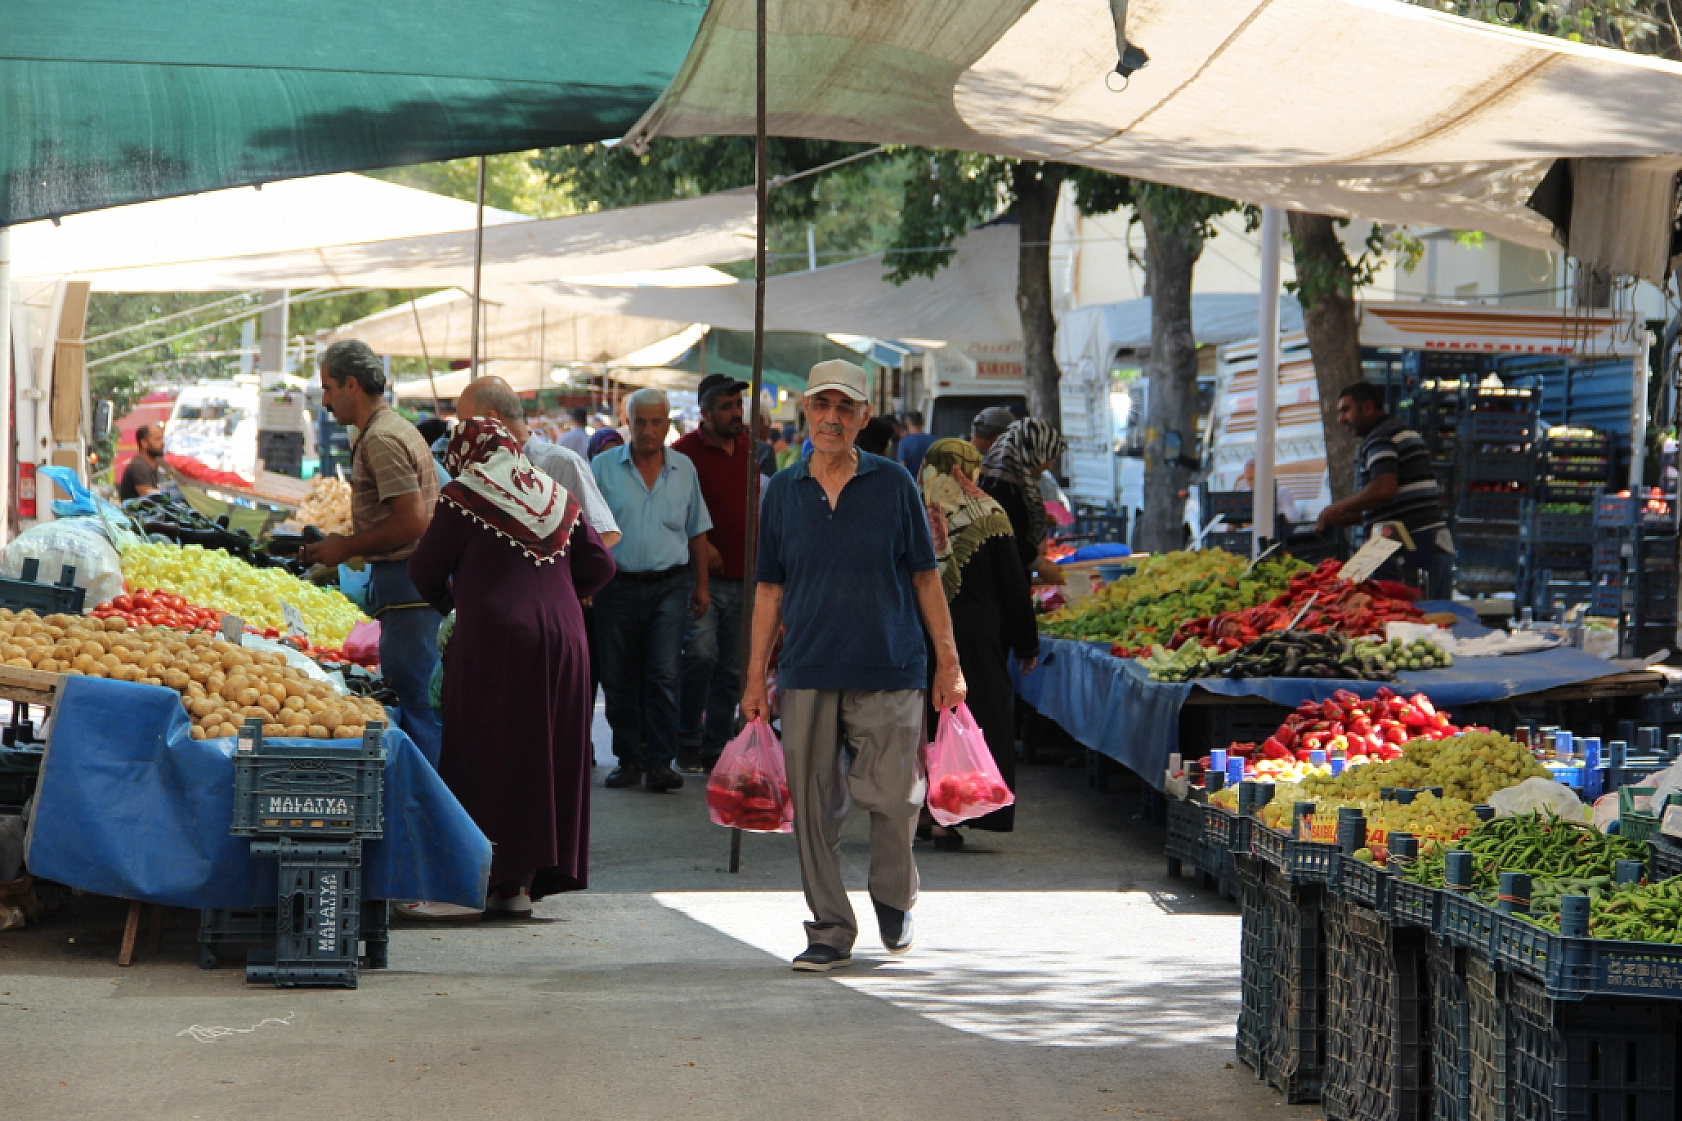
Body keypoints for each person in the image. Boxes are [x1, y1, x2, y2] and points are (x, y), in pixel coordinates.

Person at [741, 359, 967, 973]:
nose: (832, 418)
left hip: (890, 663)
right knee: (813, 808)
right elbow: (768, 590)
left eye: (845, 407)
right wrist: (755, 677)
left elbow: (925, 576)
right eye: (822, 406)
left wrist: (948, 663)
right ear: (806, 412)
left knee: (896, 796)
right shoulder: (783, 490)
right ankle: (830, 928)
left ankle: (894, 895)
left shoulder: (894, 484)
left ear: (864, 417)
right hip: (809, 667)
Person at [407, 418, 617, 918]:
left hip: (497, 641)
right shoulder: (555, 494)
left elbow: (423, 570)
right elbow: (602, 566)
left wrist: (456, 604)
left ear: (466, 454)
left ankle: (460, 888)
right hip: (567, 642)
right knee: (542, 757)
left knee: (483, 751)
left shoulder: (465, 494)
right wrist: (563, 592)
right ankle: (516, 887)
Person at [298, 341, 444, 767]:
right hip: (412, 590)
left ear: (351, 384)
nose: (324, 401)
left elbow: (411, 522)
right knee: (423, 708)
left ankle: (429, 819)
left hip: (410, 593)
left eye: (328, 388)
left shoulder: (380, 437)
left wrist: (344, 548)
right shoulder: (392, 428)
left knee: (418, 710)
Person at [918, 439, 1039, 847]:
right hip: (976, 637)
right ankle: (950, 815)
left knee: (921, 722)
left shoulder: (911, 510)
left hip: (915, 634)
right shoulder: (988, 512)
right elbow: (1013, 585)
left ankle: (919, 811)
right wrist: (1027, 643)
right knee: (967, 722)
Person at [591, 388, 712, 792]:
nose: (648, 430)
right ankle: (629, 759)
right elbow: (586, 532)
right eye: (640, 422)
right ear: (628, 423)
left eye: (656, 421)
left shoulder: (684, 469)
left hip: (670, 586)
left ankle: (661, 761)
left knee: (663, 674)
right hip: (616, 586)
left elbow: (697, 531)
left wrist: (702, 587)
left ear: (667, 423)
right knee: (618, 676)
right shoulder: (603, 467)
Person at [671, 374, 753, 774]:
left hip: (747, 577)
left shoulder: (753, 448)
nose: (736, 413)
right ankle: (687, 738)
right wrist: (700, 545)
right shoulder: (683, 453)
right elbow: (675, 510)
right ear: (704, 413)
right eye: (726, 406)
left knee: (733, 668)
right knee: (701, 656)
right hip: (701, 577)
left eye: (738, 405)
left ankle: (716, 744)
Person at [1315, 382, 1455, 598]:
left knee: (1421, 624)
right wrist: (1344, 516)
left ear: (1368, 408)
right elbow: (1391, 504)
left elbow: (1384, 489)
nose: (1340, 419)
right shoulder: (1396, 431)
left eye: (1346, 410)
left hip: (1416, 550)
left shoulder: (1381, 437)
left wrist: (1334, 509)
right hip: (1423, 545)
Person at [456, 378, 620, 549]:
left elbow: (605, 533)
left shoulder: (562, 463)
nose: (461, 437)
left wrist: (556, 568)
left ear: (491, 420)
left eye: (465, 426)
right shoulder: (480, 470)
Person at [979, 418, 1066, 572]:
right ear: (1030, 453)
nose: (1048, 466)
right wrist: (1039, 565)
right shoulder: (1002, 486)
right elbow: (1008, 536)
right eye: (1047, 459)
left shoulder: (1011, 480)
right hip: (1002, 576)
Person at [118, 425, 165, 500]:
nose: (163, 443)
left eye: (162, 438)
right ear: (144, 443)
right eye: (157, 439)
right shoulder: (139, 466)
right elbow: (149, 496)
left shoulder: (148, 466)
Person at [895, 410, 933, 477]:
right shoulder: (934, 440)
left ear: (907, 423)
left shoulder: (904, 442)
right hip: (929, 483)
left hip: (911, 484)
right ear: (923, 422)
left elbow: (902, 467)